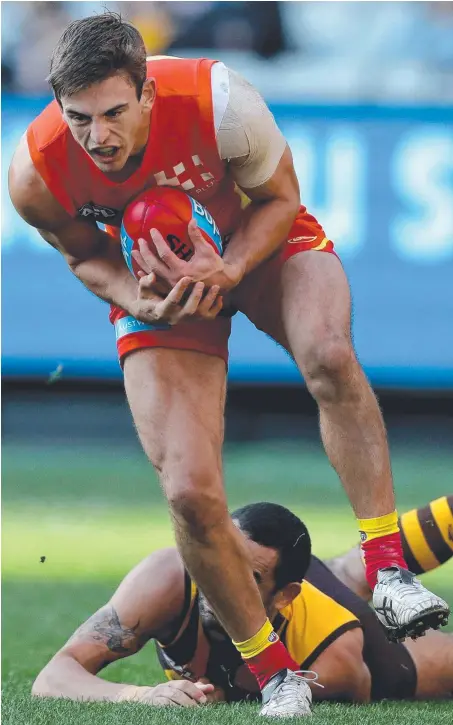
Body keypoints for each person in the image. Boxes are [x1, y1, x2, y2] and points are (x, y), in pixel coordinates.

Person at [8, 11, 448, 717]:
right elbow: (82, 253)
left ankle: (388, 567)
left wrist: (231, 268)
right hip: (158, 289)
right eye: (79, 117)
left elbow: (281, 200)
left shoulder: (222, 101)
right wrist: (136, 299)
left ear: (147, 92)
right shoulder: (34, 171)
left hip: (253, 242)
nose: (99, 137)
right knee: (186, 490)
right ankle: (275, 674)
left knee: (329, 354)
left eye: (114, 112)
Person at [32, 498, 453, 707]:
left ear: (285, 596)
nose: (222, 584)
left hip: (352, 639)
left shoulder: (333, 649)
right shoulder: (168, 578)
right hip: (293, 585)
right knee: (345, 572)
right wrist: (138, 695)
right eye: (221, 561)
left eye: (245, 579)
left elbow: (357, 687)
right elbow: (52, 677)